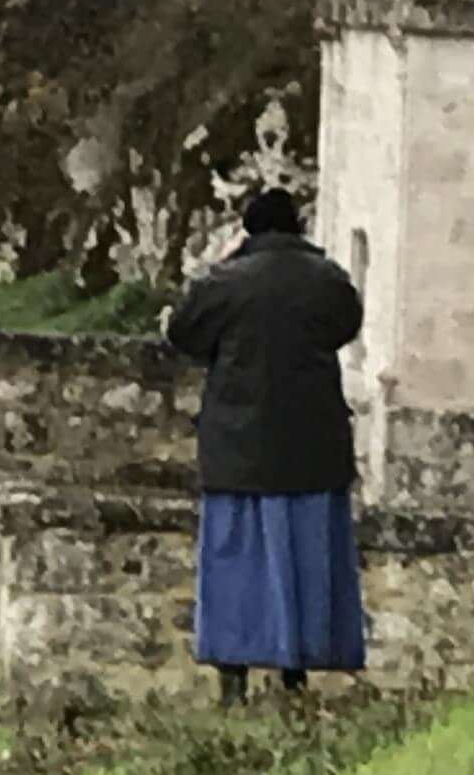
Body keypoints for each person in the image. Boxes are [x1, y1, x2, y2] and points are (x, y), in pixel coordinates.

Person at [162, 188, 368, 705]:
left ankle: (233, 678)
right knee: (303, 559)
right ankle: (295, 674)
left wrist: (224, 264)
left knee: (235, 565)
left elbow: (184, 331)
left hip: (239, 447)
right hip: (312, 445)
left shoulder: (226, 284)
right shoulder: (329, 282)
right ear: (298, 227)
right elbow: (348, 325)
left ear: (250, 230)